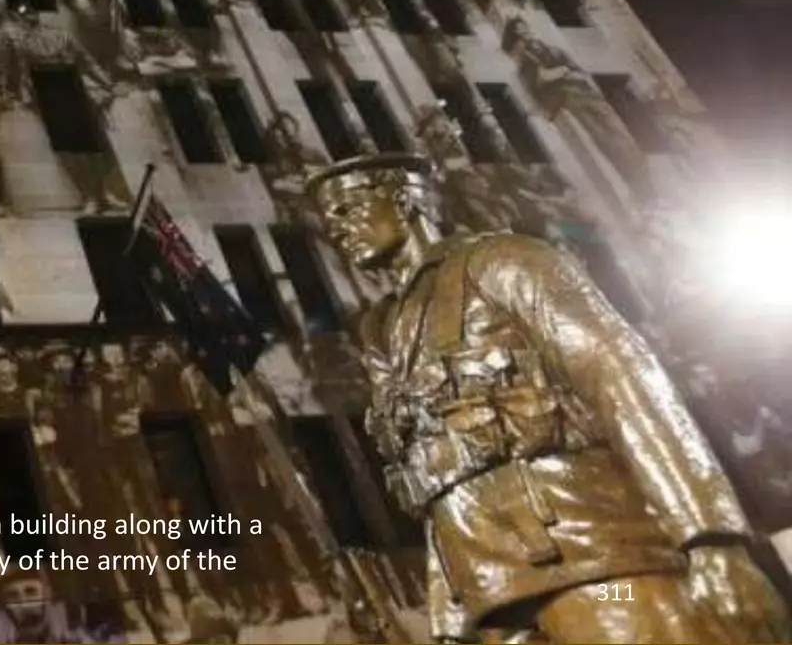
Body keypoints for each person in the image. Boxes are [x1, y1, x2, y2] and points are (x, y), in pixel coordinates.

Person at [306, 152, 791, 644]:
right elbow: (431, 470)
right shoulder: (381, 330)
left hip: (600, 569)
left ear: (404, 199)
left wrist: (711, 537)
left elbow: (624, 381)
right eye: (329, 221)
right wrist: (452, 615)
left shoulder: (505, 261)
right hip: (494, 600)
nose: (338, 230)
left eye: (349, 209)